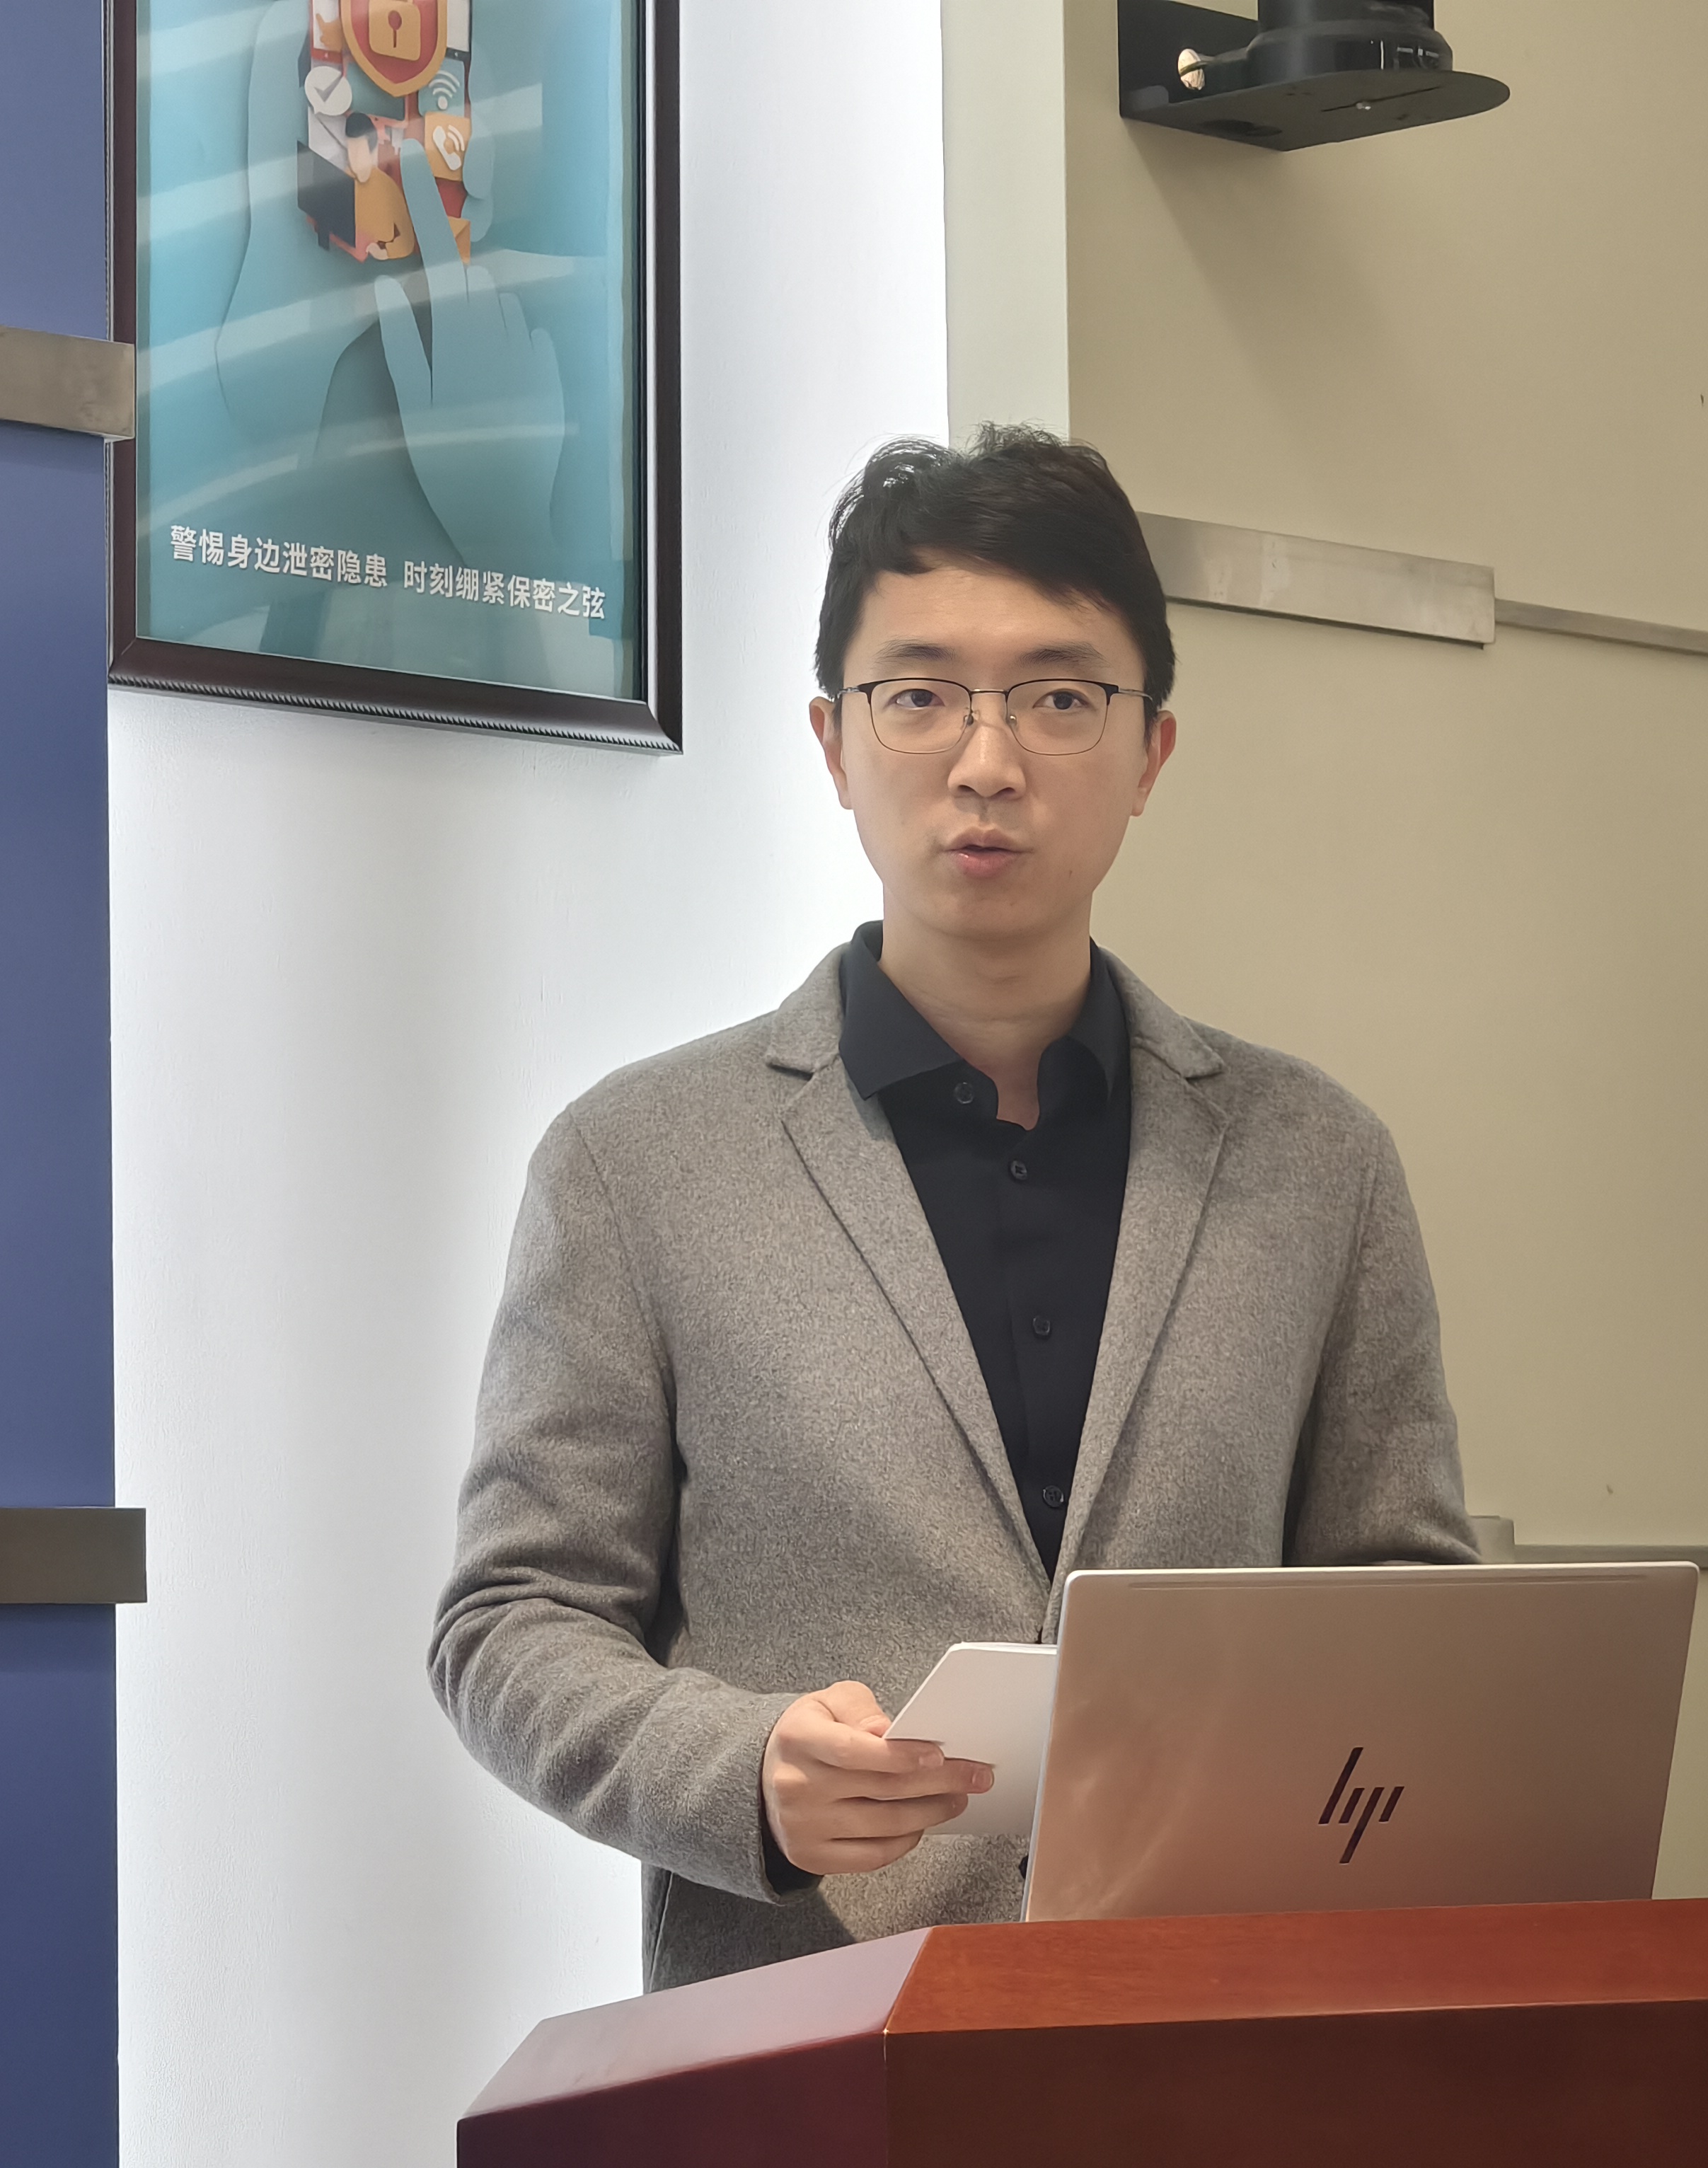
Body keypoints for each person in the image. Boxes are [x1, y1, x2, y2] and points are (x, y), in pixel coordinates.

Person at [429, 426, 1475, 1991]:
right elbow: (513, 1619)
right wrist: (743, 1769)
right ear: (833, 744)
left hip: (1214, 2027)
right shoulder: (633, 1162)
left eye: (1059, 698)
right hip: (803, 2040)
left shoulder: (1316, 1163)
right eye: (919, 696)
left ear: (1150, 753)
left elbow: (1408, 1615)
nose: (987, 762)